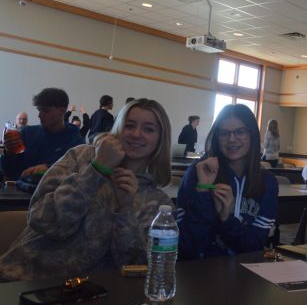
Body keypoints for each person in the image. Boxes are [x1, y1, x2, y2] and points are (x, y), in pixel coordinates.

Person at [0, 99, 173, 281]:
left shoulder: (158, 203)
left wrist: (125, 210)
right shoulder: (81, 156)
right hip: (19, 279)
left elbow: (134, 269)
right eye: (129, 125)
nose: (136, 134)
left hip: (84, 297)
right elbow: (41, 220)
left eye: (148, 129)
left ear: (160, 139)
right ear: (119, 129)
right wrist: (96, 169)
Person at [177, 104, 278, 259]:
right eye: (224, 133)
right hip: (197, 274)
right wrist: (203, 192)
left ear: (252, 134)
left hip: (246, 275)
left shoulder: (267, 182)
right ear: (216, 137)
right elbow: (186, 247)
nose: (232, 139)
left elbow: (255, 247)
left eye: (240, 131)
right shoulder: (198, 172)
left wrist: (226, 219)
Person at [0, 88, 85, 180]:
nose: (39, 115)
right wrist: (9, 152)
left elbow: (79, 176)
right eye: (39, 110)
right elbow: (8, 171)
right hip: (19, 191)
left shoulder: (76, 143)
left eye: (45, 110)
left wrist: (49, 169)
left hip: (55, 193)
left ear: (62, 111)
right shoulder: (27, 133)